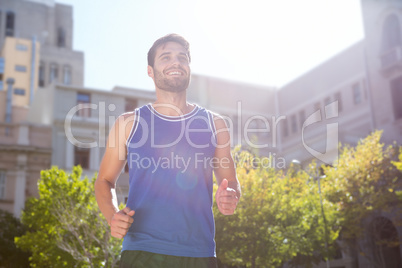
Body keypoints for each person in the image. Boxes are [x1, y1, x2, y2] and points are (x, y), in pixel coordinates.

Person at [95, 33, 241, 268]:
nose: (176, 62)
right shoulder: (129, 123)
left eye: (182, 57)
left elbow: (231, 182)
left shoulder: (216, 124)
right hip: (142, 251)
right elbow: (104, 180)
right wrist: (112, 215)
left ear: (189, 68)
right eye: (166, 57)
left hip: (199, 253)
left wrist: (230, 196)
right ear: (150, 71)